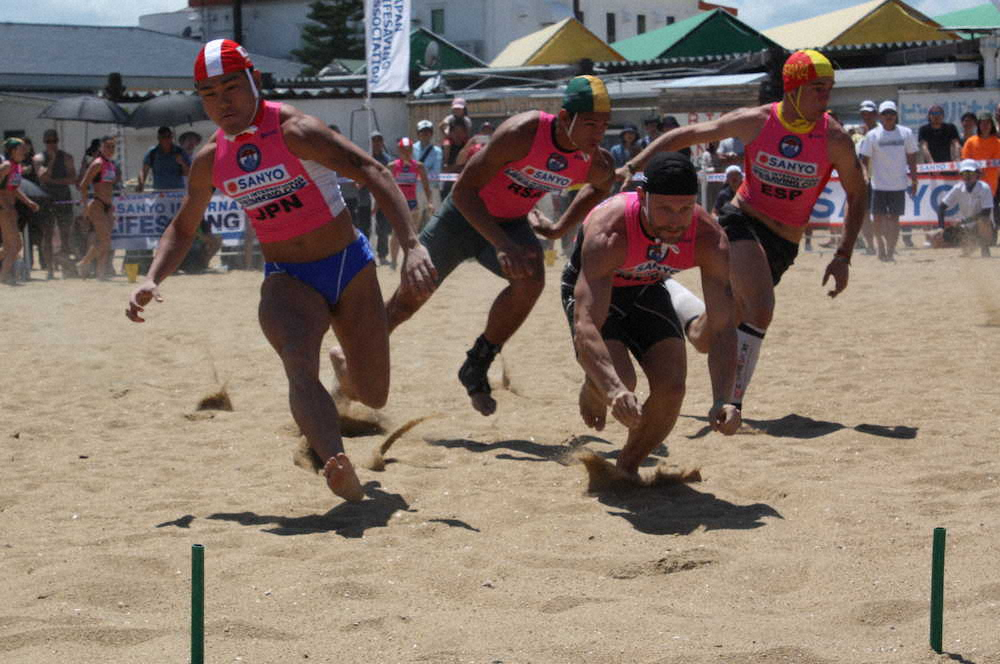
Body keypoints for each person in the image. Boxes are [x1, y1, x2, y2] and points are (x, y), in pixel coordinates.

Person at [125, 39, 436, 503]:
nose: (222, 102)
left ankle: (344, 371)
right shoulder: (211, 158)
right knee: (296, 361)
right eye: (209, 94)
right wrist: (152, 276)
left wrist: (411, 244)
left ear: (255, 81)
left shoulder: (297, 130)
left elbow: (375, 172)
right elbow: (183, 225)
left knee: (373, 395)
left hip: (349, 266)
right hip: (288, 276)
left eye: (231, 87)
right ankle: (334, 459)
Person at [332, 75, 616, 417]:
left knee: (532, 280)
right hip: (462, 217)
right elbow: (465, 192)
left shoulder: (595, 160)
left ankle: (477, 364)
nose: (598, 134)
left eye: (604, 125)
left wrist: (557, 229)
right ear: (565, 118)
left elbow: (600, 187)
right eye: (590, 124)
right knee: (410, 299)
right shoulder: (523, 133)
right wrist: (502, 244)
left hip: (509, 223)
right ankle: (350, 361)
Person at [616, 49, 867, 414]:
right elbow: (683, 136)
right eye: (817, 88)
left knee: (708, 334)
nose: (825, 97)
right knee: (761, 309)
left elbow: (859, 194)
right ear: (793, 89)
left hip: (785, 242)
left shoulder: (835, 138)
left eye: (829, 88)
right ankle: (730, 403)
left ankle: (669, 292)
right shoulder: (757, 121)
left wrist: (843, 254)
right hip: (740, 220)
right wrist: (634, 166)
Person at [562, 152, 740, 477]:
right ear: (642, 197)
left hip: (648, 287)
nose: (675, 220)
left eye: (685, 209)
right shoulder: (610, 233)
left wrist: (725, 399)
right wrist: (612, 389)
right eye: (665, 209)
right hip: (598, 290)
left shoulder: (709, 238)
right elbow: (585, 324)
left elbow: (725, 326)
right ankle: (593, 388)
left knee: (672, 388)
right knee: (623, 379)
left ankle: (626, 470)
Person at [858, 100, 918, 261]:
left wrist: (914, 179)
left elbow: (912, 158)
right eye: (885, 113)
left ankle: (890, 249)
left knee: (894, 219)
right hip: (878, 184)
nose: (889, 116)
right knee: (877, 218)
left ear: (896, 115)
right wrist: (865, 176)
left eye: (891, 113)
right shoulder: (872, 135)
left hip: (898, 184)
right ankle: (881, 246)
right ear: (880, 116)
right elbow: (864, 159)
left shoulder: (906, 133)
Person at [34, 129, 78, 276]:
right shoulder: (39, 158)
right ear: (44, 142)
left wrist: (53, 181)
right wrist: (51, 160)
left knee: (65, 234)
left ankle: (65, 266)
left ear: (58, 141)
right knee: (47, 235)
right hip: (47, 199)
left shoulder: (66, 157)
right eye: (48, 141)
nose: (51, 144)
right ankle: (50, 269)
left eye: (54, 141)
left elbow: (73, 179)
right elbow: (42, 177)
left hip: (63, 198)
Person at [76, 136, 118, 280]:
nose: (110, 149)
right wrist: (85, 205)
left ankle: (100, 273)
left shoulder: (111, 164)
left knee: (105, 241)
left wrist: (111, 206)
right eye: (107, 146)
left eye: (112, 147)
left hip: (108, 205)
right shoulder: (97, 163)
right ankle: (84, 262)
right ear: (101, 148)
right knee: (105, 241)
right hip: (97, 204)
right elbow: (83, 184)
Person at [932, 158, 994, 257]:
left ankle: (984, 248)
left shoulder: (984, 188)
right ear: (961, 175)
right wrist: (940, 227)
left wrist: (963, 221)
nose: (968, 176)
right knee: (934, 238)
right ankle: (969, 247)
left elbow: (985, 213)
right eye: (965, 173)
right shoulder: (958, 188)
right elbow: (941, 207)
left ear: (977, 174)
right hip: (967, 228)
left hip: (984, 229)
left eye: (970, 173)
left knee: (983, 221)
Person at [387, 137, 433, 269]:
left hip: (413, 204)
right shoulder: (393, 166)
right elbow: (387, 186)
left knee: (413, 233)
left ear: (412, 150)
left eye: (409, 150)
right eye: (403, 150)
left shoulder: (418, 166)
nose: (406, 152)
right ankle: (394, 262)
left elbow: (426, 187)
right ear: (399, 150)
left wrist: (430, 202)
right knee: (396, 232)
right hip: (398, 204)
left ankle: (409, 259)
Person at [0, 138, 40, 284]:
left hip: (11, 208)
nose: (25, 151)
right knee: (15, 245)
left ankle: (3, 277)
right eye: (21, 149)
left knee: (11, 246)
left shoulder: (16, 166)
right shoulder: (6, 166)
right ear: (12, 151)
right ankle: (4, 277)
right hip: (4, 209)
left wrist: (28, 202)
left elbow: (14, 188)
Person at [367, 131, 394, 265]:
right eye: (374, 140)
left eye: (379, 140)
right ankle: (366, 256)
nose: (377, 143)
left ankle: (382, 255)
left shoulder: (388, 160)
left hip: (383, 198)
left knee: (383, 228)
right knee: (366, 228)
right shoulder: (364, 158)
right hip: (366, 198)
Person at [137, 126, 190, 192]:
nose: (167, 140)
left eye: (169, 136)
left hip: (177, 192)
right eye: (164, 137)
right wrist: (141, 183)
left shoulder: (180, 151)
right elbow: (144, 171)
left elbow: (188, 173)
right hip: (159, 193)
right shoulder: (152, 153)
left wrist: (182, 163)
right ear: (159, 138)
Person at [413, 119, 443, 228]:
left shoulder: (437, 150)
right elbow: (411, 167)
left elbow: (436, 170)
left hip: (432, 189)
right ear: (418, 134)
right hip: (416, 189)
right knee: (415, 219)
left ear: (431, 134)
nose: (425, 134)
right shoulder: (411, 148)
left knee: (435, 219)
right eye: (422, 131)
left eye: (428, 131)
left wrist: (420, 170)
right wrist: (424, 170)